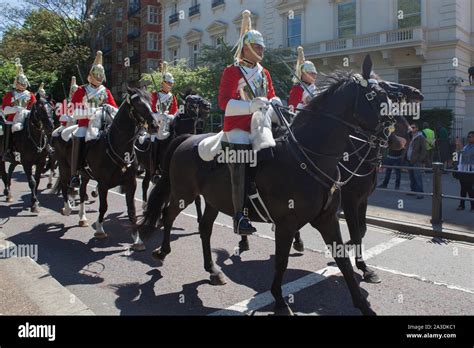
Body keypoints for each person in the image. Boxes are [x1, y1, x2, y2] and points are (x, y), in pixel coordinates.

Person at [218, 9, 281, 235]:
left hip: (262, 124)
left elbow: (271, 94)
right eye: (257, 47)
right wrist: (249, 106)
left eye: (262, 47)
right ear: (246, 48)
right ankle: (239, 217)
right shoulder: (231, 72)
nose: (261, 50)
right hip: (238, 127)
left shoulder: (265, 73)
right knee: (241, 164)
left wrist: (275, 102)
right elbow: (224, 103)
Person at [69, 51, 118, 188]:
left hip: (103, 123)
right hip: (86, 123)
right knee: (79, 135)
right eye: (96, 74)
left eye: (100, 75)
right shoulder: (81, 90)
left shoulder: (106, 91)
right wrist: (88, 112)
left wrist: (109, 108)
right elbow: (72, 111)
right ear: (91, 75)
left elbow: (115, 108)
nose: (99, 77)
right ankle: (75, 173)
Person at [1, 60, 36, 162]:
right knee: (7, 126)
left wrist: (26, 111)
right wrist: (16, 109)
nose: (23, 83)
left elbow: (33, 108)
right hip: (12, 119)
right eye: (21, 82)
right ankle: (8, 151)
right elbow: (5, 110)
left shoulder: (30, 95)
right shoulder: (10, 95)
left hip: (26, 118)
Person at [149, 62, 178, 182]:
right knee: (154, 141)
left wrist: (170, 117)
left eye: (172, 83)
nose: (170, 85)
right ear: (163, 83)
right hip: (156, 125)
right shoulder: (154, 95)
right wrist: (158, 116)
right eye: (169, 83)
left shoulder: (172, 97)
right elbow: (150, 110)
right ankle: (154, 168)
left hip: (168, 124)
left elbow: (175, 111)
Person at [288, 46, 318, 111]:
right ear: (303, 74)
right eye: (311, 73)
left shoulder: (315, 87)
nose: (314, 76)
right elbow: (293, 108)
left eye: (315, 73)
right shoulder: (298, 88)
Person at [406, 124, 427, 199]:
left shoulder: (421, 138)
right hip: (409, 160)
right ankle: (413, 191)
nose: (411, 129)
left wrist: (420, 159)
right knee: (411, 177)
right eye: (410, 127)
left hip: (416, 160)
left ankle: (420, 193)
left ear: (417, 129)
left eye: (413, 127)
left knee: (417, 176)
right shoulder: (410, 136)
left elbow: (424, 150)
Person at [455, 131, 474, 211]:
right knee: (463, 188)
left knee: (469, 188)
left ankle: (473, 206)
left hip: (470, 169)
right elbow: (458, 153)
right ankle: (462, 205)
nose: (468, 138)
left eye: (470, 136)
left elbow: (467, 155)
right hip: (462, 169)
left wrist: (460, 146)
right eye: (468, 136)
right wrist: (457, 146)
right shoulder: (467, 146)